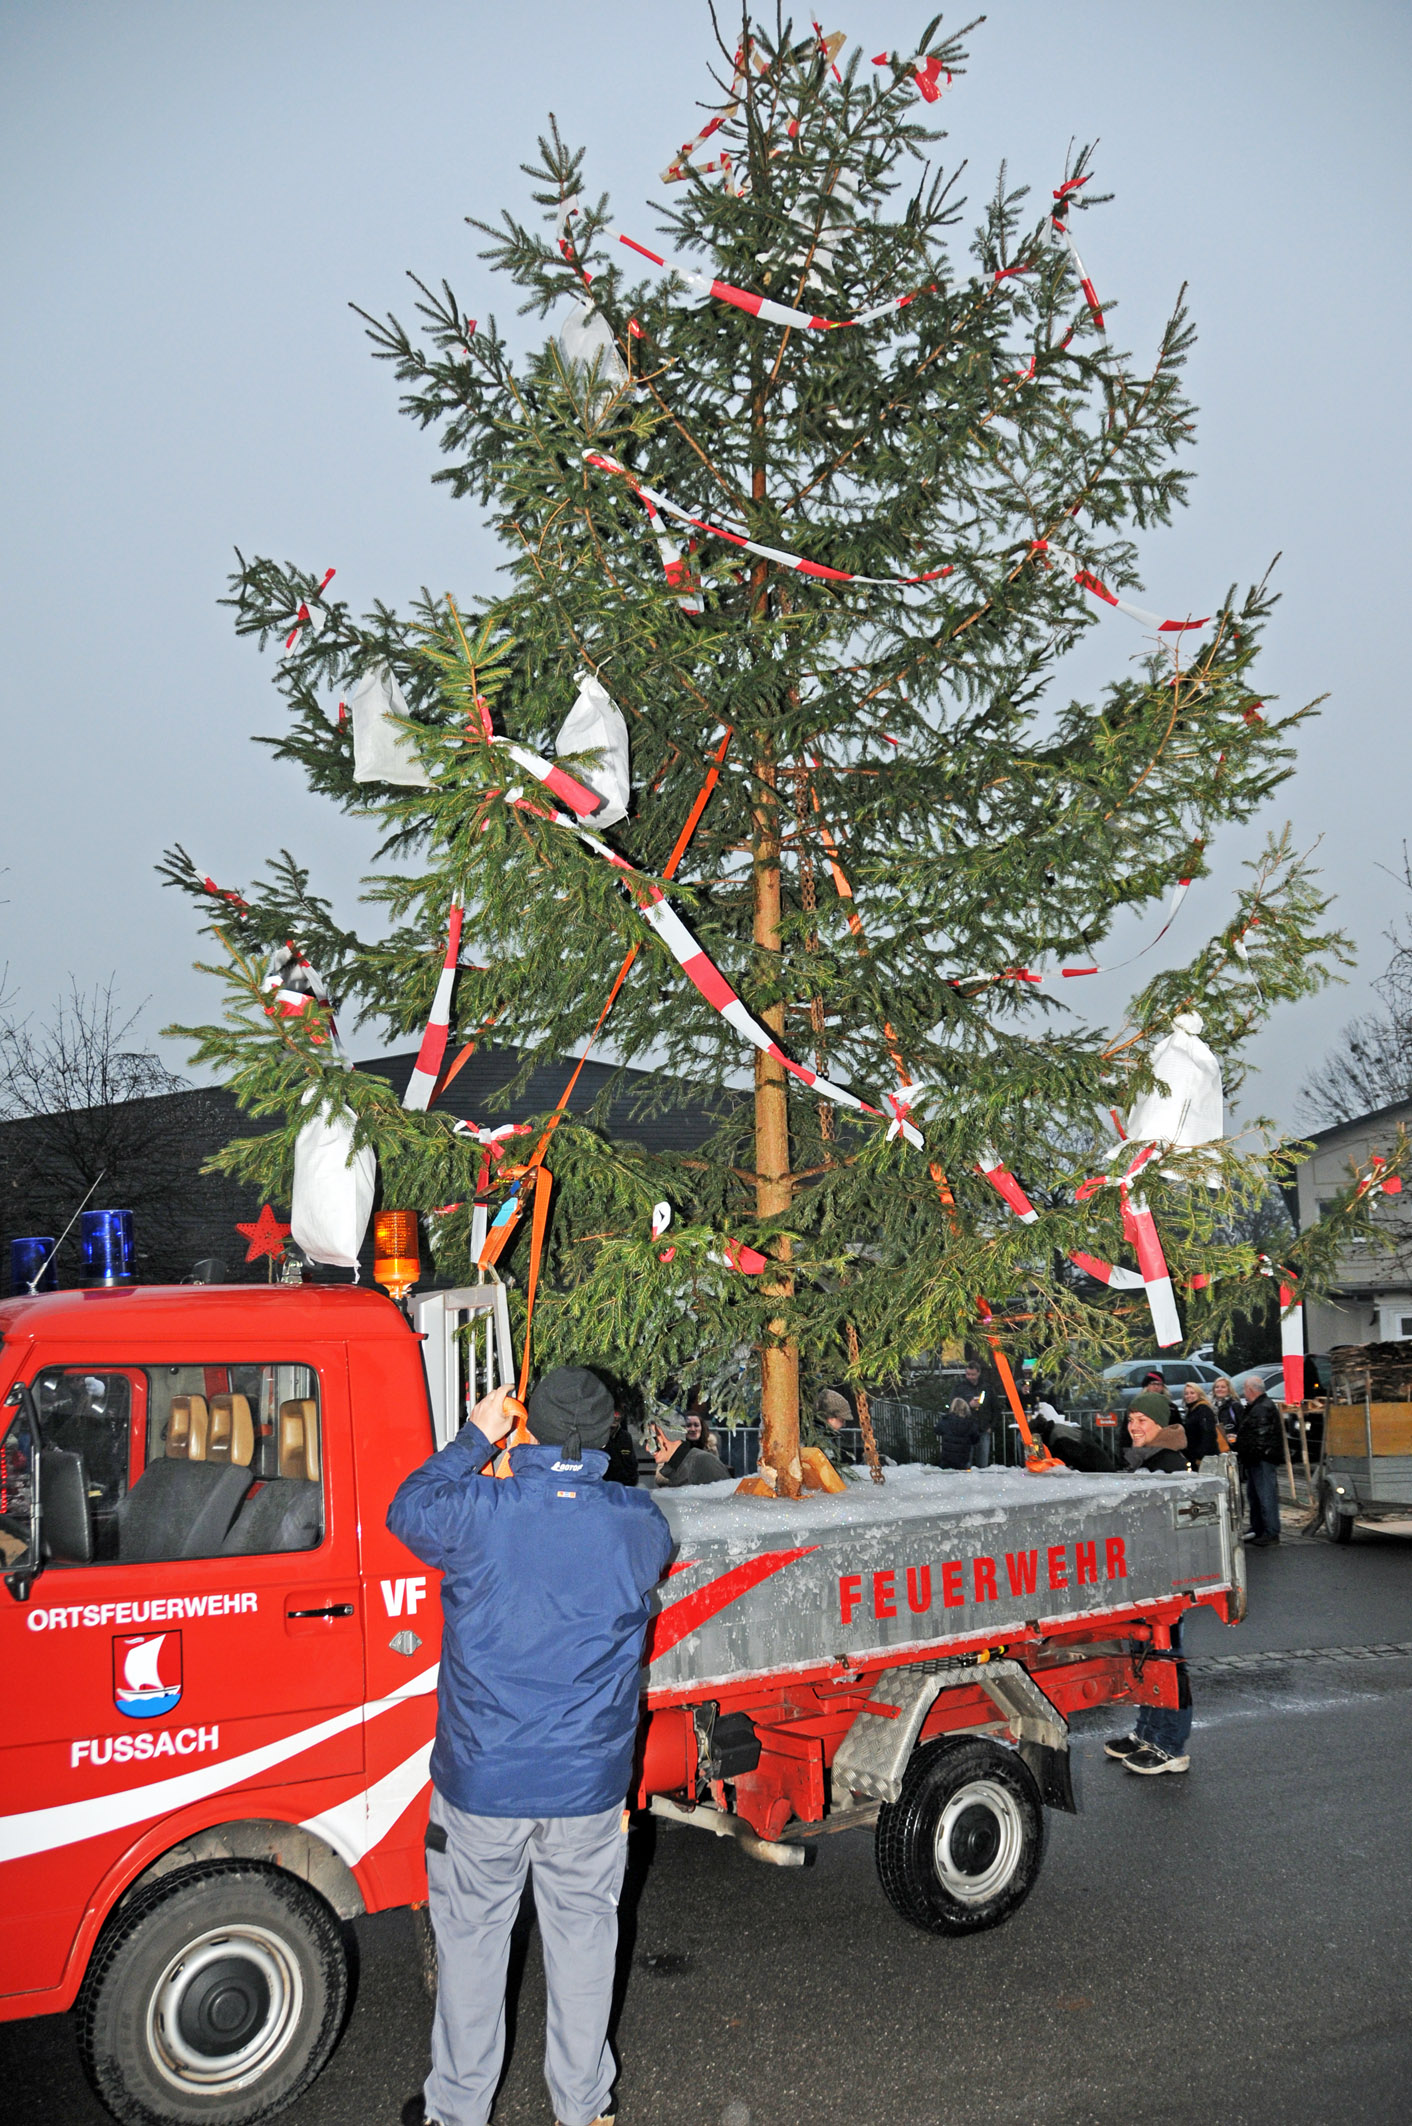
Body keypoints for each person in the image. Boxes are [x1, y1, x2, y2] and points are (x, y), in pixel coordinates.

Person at [388, 1367, 672, 2126]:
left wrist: (478, 1439)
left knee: (472, 1949)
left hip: (483, 1785)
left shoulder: (478, 1512)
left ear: (526, 1428)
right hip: (587, 1789)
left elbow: (407, 1507)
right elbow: (609, 1523)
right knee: (584, 1949)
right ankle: (584, 2109)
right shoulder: (638, 1523)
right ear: (608, 1435)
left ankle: (457, 2112)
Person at [1103, 1409, 1194, 1775]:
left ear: (1160, 1424)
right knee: (1144, 1657)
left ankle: (1170, 1746)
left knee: (1167, 1660)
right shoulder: (1144, 1458)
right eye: (1130, 1420)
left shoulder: (1168, 1463)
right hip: (1143, 1576)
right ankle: (1146, 1732)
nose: (1134, 1427)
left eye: (1142, 1420)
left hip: (1165, 1580)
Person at [1235, 1371, 1284, 1545]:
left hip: (1261, 1459)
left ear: (1250, 1390)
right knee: (1256, 1496)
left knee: (1265, 1496)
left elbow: (1260, 1438)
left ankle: (1270, 1531)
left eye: (1245, 1389)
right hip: (1258, 1458)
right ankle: (1259, 1529)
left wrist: (1245, 1449)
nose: (1244, 1393)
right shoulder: (1261, 1406)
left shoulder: (1261, 1408)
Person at [650, 1418, 732, 1487]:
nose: (693, 1429)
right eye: (689, 1425)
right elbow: (660, 1477)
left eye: (696, 1425)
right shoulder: (672, 1451)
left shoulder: (707, 1453)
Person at [935, 1394, 983, 1471]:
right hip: (963, 1459)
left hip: (947, 1458)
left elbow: (937, 1430)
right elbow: (975, 1439)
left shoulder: (946, 1421)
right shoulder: (970, 1423)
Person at [1179, 1380, 1219, 1469]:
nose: (1189, 1396)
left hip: (1204, 1458)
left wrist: (1200, 1456)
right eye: (1186, 1394)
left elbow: (1208, 1434)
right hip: (1195, 1456)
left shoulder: (1203, 1410)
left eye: (1192, 1393)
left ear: (1199, 1394)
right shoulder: (1192, 1410)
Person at [602, 1404, 639, 1487]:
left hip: (624, 1485)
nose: (616, 1416)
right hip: (602, 1486)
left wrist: (630, 1482)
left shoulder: (626, 1436)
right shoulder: (596, 1436)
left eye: (619, 1412)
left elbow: (632, 1464)